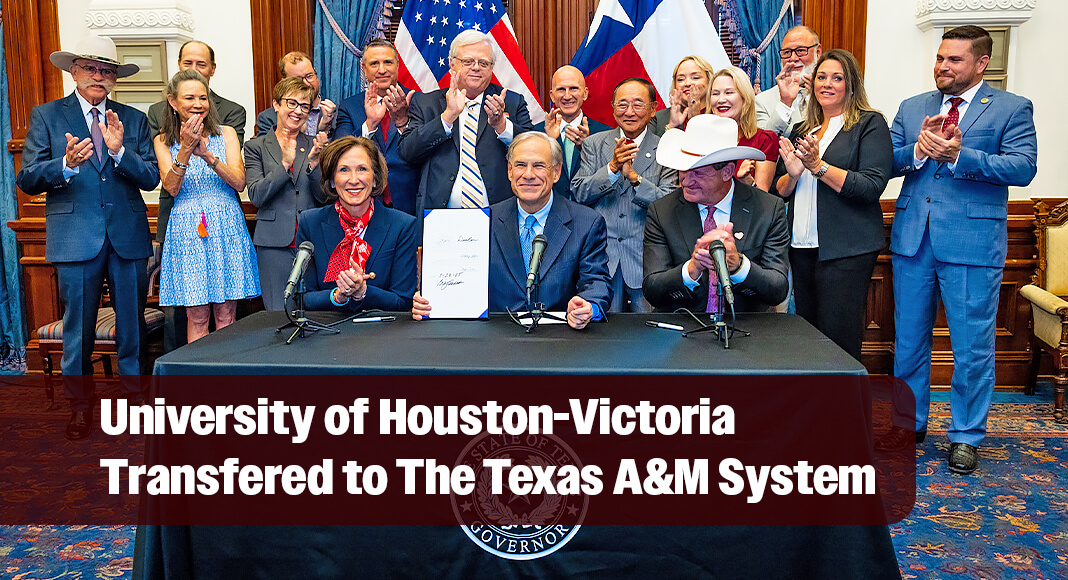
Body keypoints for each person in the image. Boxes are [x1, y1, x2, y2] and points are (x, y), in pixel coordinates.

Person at [878, 25, 1038, 474]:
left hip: (970, 242)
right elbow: (885, 161)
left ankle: (966, 435)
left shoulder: (1010, 107)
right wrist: (919, 150)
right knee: (908, 341)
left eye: (954, 60)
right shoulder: (914, 107)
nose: (943, 67)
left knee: (971, 346)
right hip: (913, 239)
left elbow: (1024, 166)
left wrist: (961, 157)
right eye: (940, 58)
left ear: (981, 63)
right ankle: (910, 423)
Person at [16, 35, 159, 439]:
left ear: (116, 78)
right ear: (73, 71)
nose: (99, 76)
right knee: (77, 330)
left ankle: (134, 405)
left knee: (132, 327)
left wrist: (118, 153)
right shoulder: (47, 116)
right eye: (91, 68)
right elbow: (27, 179)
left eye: (107, 70)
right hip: (75, 238)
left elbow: (151, 176)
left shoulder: (132, 119)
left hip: (128, 237)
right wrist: (64, 164)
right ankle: (80, 408)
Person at [412, 132, 611, 329]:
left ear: (556, 172)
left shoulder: (586, 223)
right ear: (509, 171)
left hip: (558, 343)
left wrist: (587, 307)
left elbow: (596, 283)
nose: (528, 174)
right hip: (496, 342)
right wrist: (431, 301)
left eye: (539, 165)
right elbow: (455, 281)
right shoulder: (481, 222)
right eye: (520, 165)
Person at [772, 49, 891, 363]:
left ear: (851, 85)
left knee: (838, 339)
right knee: (808, 335)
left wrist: (818, 166)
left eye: (837, 78)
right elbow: (780, 191)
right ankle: (816, 407)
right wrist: (795, 174)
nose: (827, 84)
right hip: (801, 247)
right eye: (821, 77)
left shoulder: (869, 124)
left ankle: (842, 409)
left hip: (846, 249)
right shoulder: (801, 130)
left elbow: (871, 186)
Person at [146, 40, 247, 352]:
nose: (198, 104)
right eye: (189, 98)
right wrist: (187, 150)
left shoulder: (226, 133)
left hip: (226, 222)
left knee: (227, 311)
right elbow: (171, 187)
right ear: (174, 103)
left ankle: (228, 379)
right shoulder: (162, 140)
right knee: (197, 313)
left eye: (202, 98)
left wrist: (208, 156)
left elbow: (240, 182)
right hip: (187, 227)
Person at [644, 115, 789, 313]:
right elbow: (652, 290)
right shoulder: (662, 212)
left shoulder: (767, 209)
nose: (686, 181)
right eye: (683, 171)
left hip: (748, 332)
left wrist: (738, 266)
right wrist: (691, 270)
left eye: (697, 173)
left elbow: (778, 289)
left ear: (728, 172)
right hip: (682, 332)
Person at [399, 30, 534, 215]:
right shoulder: (426, 103)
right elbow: (408, 152)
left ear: (492, 68)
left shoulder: (511, 101)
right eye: (468, 61)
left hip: (499, 216)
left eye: (483, 63)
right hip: (440, 216)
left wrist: (501, 125)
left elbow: (534, 150)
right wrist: (447, 117)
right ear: (452, 64)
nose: (476, 67)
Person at [572, 77, 676, 312]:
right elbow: (579, 192)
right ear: (613, 107)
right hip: (602, 260)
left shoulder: (666, 148)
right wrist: (611, 169)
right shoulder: (594, 144)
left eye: (638, 104)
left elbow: (670, 204)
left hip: (647, 259)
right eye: (622, 104)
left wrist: (634, 178)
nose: (629, 111)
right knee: (605, 338)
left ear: (653, 109)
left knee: (648, 336)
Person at [296, 136, 417, 312]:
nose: (353, 180)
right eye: (344, 170)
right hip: (326, 333)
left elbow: (403, 301)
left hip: (382, 334)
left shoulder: (402, 226)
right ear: (331, 180)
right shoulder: (310, 223)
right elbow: (302, 298)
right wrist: (338, 296)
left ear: (375, 178)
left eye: (362, 169)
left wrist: (363, 291)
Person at [244, 77, 330, 310]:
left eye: (304, 106)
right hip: (273, 243)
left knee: (312, 310)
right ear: (276, 104)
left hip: (311, 240)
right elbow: (256, 195)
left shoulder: (316, 144)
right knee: (277, 311)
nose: (298, 111)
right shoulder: (256, 147)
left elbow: (324, 197)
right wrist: (283, 167)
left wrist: (313, 165)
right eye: (291, 103)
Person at [335, 39, 419, 216]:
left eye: (388, 62)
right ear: (364, 69)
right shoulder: (349, 107)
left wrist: (403, 122)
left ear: (397, 65)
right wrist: (370, 124)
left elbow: (426, 151)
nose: (382, 69)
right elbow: (340, 154)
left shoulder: (420, 102)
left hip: (411, 203)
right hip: (363, 204)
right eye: (374, 64)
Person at [534, 65, 610, 200]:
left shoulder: (605, 133)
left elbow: (608, 177)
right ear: (552, 96)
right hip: (551, 213)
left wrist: (587, 147)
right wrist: (550, 141)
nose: (567, 96)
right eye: (561, 89)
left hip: (591, 213)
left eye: (573, 89)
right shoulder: (536, 133)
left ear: (585, 93)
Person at [709, 66, 779, 192]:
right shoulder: (702, 138)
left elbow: (762, 198)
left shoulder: (764, 140)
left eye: (729, 92)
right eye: (715, 94)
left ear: (744, 98)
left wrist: (747, 181)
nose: (720, 100)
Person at [755, 26, 822, 137]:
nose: (793, 58)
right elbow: (764, 147)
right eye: (787, 52)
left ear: (818, 52)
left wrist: (819, 100)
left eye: (800, 51)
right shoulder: (761, 102)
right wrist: (785, 103)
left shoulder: (833, 95)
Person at [255, 51, 337, 137]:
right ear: (285, 82)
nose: (306, 84)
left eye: (309, 76)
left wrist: (325, 130)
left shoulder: (335, 113)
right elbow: (265, 149)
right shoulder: (269, 118)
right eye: (297, 80)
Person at [650, 55, 716, 136]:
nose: (687, 83)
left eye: (695, 77)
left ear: (709, 81)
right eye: (681, 79)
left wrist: (695, 120)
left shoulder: (718, 115)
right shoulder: (658, 118)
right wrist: (672, 126)